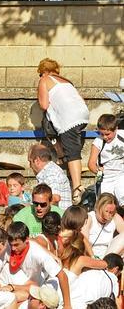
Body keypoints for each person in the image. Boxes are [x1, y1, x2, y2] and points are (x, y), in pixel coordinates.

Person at [37, 58, 89, 204]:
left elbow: (44, 104)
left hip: (70, 117)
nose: (40, 77)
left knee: (73, 152)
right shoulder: (67, 81)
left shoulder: (45, 79)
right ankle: (60, 156)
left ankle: (77, 187)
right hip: (82, 115)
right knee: (54, 130)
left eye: (40, 74)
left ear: (44, 71)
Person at [0, 222, 72, 308]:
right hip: (19, 286)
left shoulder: (38, 253)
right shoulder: (8, 245)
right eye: (11, 245)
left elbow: (62, 275)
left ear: (26, 240)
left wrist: (67, 305)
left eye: (16, 245)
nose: (13, 248)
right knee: (5, 268)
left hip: (35, 289)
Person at [88, 114, 124, 205]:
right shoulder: (98, 142)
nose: (104, 137)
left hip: (121, 175)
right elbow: (91, 164)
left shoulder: (122, 136)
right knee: (104, 206)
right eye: (101, 134)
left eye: (107, 134)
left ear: (116, 129)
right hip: (106, 178)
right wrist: (97, 170)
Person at [28, 144, 72, 209]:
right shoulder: (50, 171)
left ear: (37, 160)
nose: (30, 166)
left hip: (57, 217)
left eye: (30, 161)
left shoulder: (51, 173)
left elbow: (55, 198)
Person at [82, 193, 124, 259]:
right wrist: (93, 257)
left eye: (111, 212)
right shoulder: (89, 217)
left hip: (108, 256)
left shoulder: (115, 217)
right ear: (97, 207)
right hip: (91, 256)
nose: (108, 216)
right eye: (106, 211)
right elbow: (84, 240)